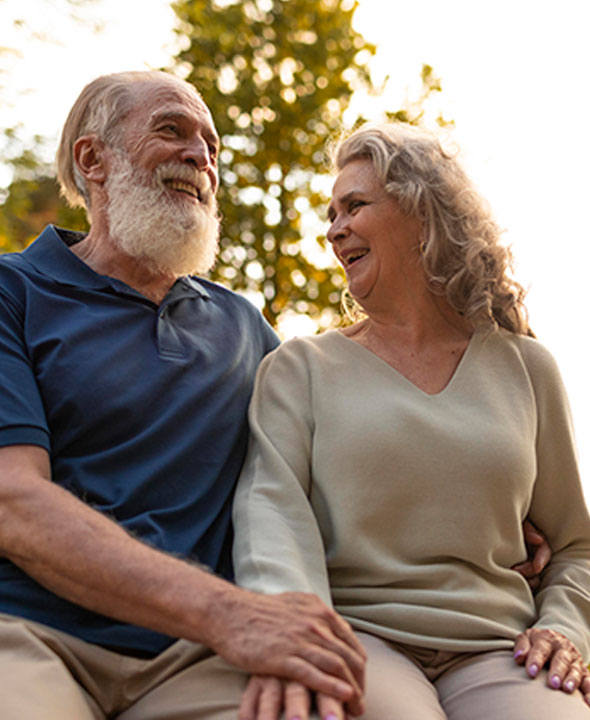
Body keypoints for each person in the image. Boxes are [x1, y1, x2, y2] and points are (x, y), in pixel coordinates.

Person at [0, 70, 368, 719]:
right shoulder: (12, 294)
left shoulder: (246, 328)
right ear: (94, 159)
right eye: (171, 130)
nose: (200, 157)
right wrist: (231, 615)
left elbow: (345, 455)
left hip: (193, 657)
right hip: (29, 635)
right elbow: (14, 502)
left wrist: (496, 516)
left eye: (212, 147)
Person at [232, 121, 590, 719]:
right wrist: (300, 636)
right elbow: (272, 518)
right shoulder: (300, 367)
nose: (334, 229)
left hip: (502, 648)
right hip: (357, 638)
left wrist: (565, 630)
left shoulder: (527, 369)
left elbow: (576, 546)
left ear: (423, 213)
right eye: (331, 214)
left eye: (355, 206)